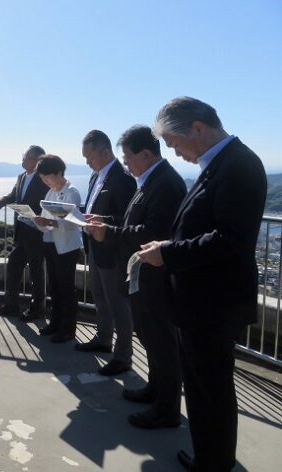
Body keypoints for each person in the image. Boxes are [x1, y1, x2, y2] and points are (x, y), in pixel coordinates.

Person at [138, 97, 267, 471]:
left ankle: (213, 462)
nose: (174, 152)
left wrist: (169, 252)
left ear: (197, 128)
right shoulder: (223, 162)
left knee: (210, 389)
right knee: (202, 386)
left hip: (214, 303)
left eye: (173, 142)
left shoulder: (238, 165)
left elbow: (231, 239)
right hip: (203, 301)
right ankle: (210, 456)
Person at [86, 125, 186, 429]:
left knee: (162, 342)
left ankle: (166, 409)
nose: (125, 162)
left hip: (157, 275)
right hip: (145, 273)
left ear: (146, 154)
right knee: (152, 338)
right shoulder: (150, 180)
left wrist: (110, 232)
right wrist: (107, 222)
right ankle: (155, 390)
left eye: (128, 156)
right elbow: (133, 221)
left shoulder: (165, 184)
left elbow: (154, 232)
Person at [75, 130, 136, 376]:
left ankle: (123, 356)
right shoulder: (95, 176)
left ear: (105, 152)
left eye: (89, 157)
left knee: (118, 304)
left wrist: (103, 220)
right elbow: (91, 207)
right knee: (101, 299)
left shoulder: (123, 178)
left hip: (112, 251)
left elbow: (128, 219)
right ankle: (103, 339)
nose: (87, 162)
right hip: (95, 247)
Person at [0, 145, 49, 321]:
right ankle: (11, 305)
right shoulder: (22, 177)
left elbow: (48, 204)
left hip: (36, 233)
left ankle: (37, 309)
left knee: (36, 272)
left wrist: (39, 216)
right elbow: (13, 195)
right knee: (13, 266)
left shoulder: (43, 179)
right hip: (22, 233)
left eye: (27, 157)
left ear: (38, 161)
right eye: (24, 155)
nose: (23, 159)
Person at [32, 155, 83, 343]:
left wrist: (51, 222)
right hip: (51, 243)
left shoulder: (71, 192)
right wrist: (39, 222)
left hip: (67, 246)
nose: (45, 181)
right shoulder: (50, 193)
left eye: (48, 177)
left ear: (59, 173)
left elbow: (73, 222)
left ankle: (68, 328)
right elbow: (47, 222)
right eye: (42, 178)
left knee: (66, 287)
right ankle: (55, 323)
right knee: (54, 285)